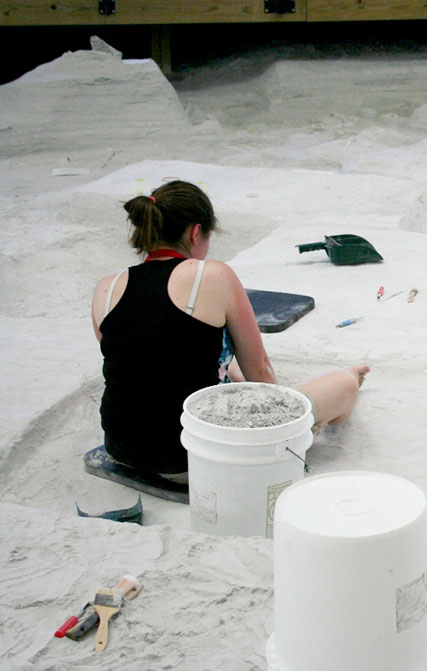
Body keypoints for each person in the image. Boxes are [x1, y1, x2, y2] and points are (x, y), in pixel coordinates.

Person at [91, 180, 369, 482]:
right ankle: (349, 381)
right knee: (343, 385)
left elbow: (146, 360)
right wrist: (284, 427)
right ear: (197, 232)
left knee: (223, 368)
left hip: (122, 448)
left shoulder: (107, 286)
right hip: (198, 457)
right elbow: (260, 370)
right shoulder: (210, 275)